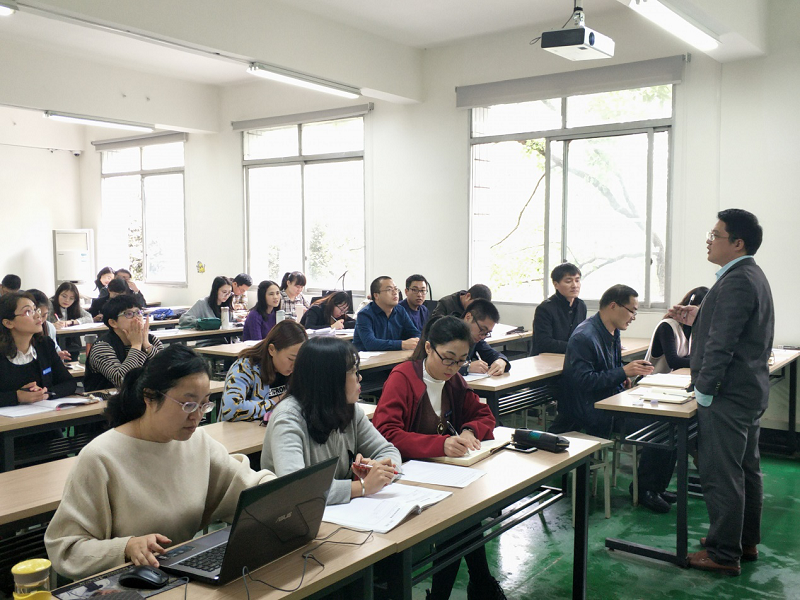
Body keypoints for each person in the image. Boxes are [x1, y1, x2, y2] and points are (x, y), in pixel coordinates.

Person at [43, 345, 276, 580]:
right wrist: (126, 547)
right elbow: (66, 548)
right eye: (188, 404)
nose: (197, 416)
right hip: (123, 584)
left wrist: (282, 491)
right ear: (149, 397)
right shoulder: (100, 457)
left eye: (204, 404)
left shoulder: (197, 442)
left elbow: (247, 486)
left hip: (178, 576)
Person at [669, 210, 774, 575]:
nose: (709, 241)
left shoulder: (736, 281)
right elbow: (733, 329)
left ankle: (723, 553)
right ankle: (743, 541)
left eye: (716, 235)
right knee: (745, 470)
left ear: (738, 243)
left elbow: (721, 345)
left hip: (727, 395)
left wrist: (704, 390)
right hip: (748, 391)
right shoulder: (749, 276)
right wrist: (697, 316)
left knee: (722, 474)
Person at [373, 316, 504, 600]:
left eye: (461, 361)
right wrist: (440, 445)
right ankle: (480, 586)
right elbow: (386, 434)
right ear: (428, 347)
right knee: (461, 520)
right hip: (404, 477)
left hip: (441, 474)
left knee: (463, 517)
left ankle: (466, 589)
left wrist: (469, 430)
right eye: (447, 358)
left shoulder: (454, 380)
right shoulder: (403, 378)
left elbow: (484, 415)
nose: (453, 367)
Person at [556, 284, 676, 514]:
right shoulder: (584, 336)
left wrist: (623, 377)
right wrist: (622, 372)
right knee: (660, 426)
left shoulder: (612, 330)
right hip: (593, 412)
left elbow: (609, 367)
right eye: (632, 311)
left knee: (669, 423)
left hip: (611, 403)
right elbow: (583, 381)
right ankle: (645, 490)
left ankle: (655, 487)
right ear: (613, 306)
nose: (633, 317)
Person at [261, 336, 400, 505]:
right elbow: (296, 489)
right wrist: (362, 487)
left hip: (335, 511)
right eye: (353, 372)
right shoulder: (288, 419)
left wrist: (377, 470)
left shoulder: (349, 409)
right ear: (331, 378)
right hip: (293, 515)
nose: (360, 378)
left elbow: (388, 451)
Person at [0, 292, 77, 407]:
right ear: (8, 323)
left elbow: (69, 383)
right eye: (28, 311)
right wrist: (17, 397)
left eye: (35, 310)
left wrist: (45, 393)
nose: (37, 315)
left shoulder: (44, 345)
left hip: (42, 414)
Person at [221, 320, 307, 422]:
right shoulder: (245, 367)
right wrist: (278, 400)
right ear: (272, 350)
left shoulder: (296, 369)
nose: (294, 366)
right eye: (291, 359)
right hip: (241, 430)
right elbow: (230, 409)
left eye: (299, 360)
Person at [84, 295, 163, 392]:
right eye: (129, 314)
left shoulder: (151, 340)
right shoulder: (102, 346)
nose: (137, 318)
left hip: (145, 395)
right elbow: (122, 381)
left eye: (138, 312)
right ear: (113, 323)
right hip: (108, 399)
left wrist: (146, 345)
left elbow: (167, 371)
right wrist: (136, 345)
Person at [644, 286, 708, 373]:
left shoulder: (695, 327)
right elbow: (674, 362)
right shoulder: (667, 326)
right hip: (653, 378)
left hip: (676, 377)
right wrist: (707, 363)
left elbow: (697, 356)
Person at [530, 263, 587, 356]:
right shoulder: (545, 308)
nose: (575, 285)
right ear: (556, 284)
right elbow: (544, 343)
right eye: (568, 281)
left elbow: (581, 335)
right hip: (546, 358)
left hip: (571, 356)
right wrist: (575, 346)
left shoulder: (581, 305)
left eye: (577, 280)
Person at [353, 276, 420, 351]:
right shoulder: (364, 315)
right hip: (367, 357)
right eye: (389, 289)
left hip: (393, 356)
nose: (395, 293)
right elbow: (370, 343)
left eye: (396, 289)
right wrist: (402, 344)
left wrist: (416, 341)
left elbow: (415, 333)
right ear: (376, 295)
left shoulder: (400, 310)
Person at [460, 299, 510, 376]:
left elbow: (491, 354)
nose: (483, 336)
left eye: (487, 333)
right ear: (468, 317)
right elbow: (440, 365)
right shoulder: (447, 332)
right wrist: (467, 367)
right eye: (482, 330)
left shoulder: (475, 338)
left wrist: (501, 361)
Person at [49, 282, 92, 359]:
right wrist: (52, 325)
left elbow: (89, 318)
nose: (67, 300)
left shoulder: (74, 306)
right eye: (64, 296)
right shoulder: (49, 304)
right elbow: (42, 322)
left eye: (71, 298)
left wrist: (71, 322)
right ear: (58, 294)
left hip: (71, 341)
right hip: (54, 341)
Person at [26, 288, 71, 362]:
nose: (40, 319)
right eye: (35, 315)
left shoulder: (48, 327)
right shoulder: (21, 332)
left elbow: (55, 349)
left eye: (44, 315)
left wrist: (58, 356)